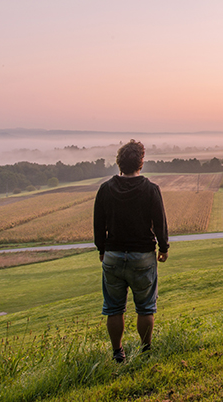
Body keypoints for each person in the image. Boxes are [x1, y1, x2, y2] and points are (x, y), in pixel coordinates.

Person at [93, 139, 169, 363]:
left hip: (113, 255)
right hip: (143, 256)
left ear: (119, 163)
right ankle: (145, 350)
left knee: (114, 308)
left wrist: (101, 250)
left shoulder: (105, 189)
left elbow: (99, 224)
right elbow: (160, 223)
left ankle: (118, 353)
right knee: (145, 308)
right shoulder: (151, 189)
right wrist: (163, 248)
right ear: (141, 163)